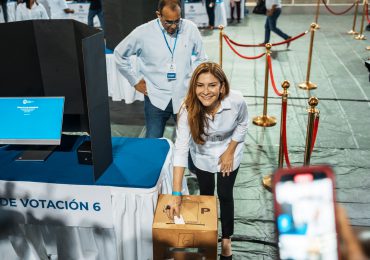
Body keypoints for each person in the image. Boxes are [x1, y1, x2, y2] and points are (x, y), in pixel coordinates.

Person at [168, 62, 248, 259]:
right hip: (202, 155)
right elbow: (180, 150)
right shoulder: (187, 109)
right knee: (206, 195)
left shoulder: (236, 100)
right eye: (200, 85)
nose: (205, 91)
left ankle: (227, 239)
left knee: (224, 193)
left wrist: (230, 151)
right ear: (194, 87)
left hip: (229, 152)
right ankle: (208, 232)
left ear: (222, 87)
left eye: (212, 85)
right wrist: (176, 193)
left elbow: (243, 124)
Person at [114, 0, 206, 138]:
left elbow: (202, 58)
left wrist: (193, 80)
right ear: (159, 15)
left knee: (188, 143)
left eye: (177, 20)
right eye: (168, 22)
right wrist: (134, 81)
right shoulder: (142, 32)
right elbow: (119, 54)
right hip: (155, 99)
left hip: (184, 97)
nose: (174, 26)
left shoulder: (190, 28)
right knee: (152, 143)